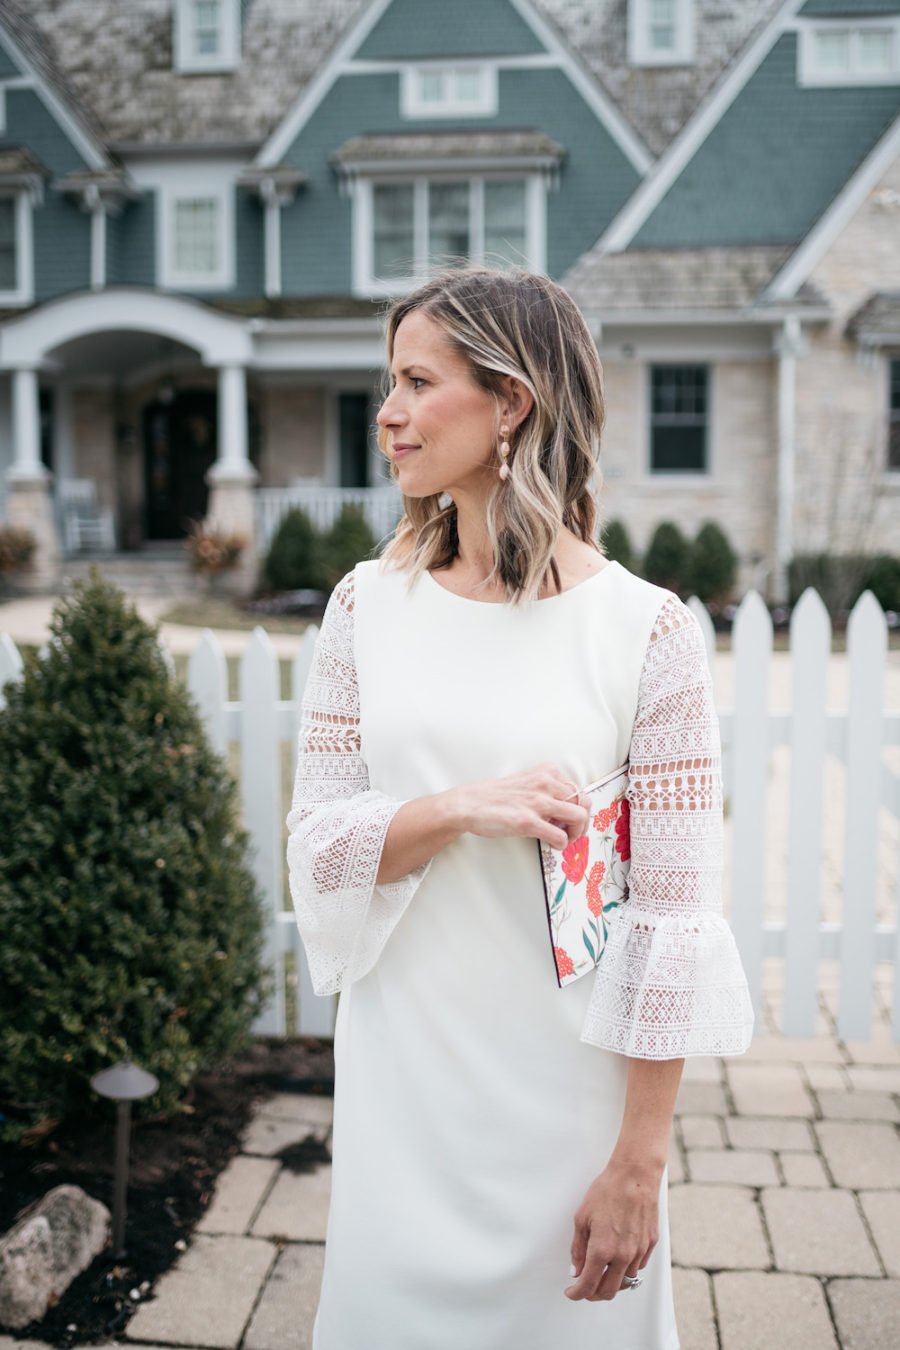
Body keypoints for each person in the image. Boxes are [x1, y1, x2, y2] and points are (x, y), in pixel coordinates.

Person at [286, 266, 754, 1350]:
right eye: (385, 382)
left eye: (415, 381)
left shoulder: (650, 634)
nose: (388, 415)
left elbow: (670, 923)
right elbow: (317, 848)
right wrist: (455, 809)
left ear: (512, 402)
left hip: (568, 1101)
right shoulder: (365, 609)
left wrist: (640, 1163)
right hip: (406, 1086)